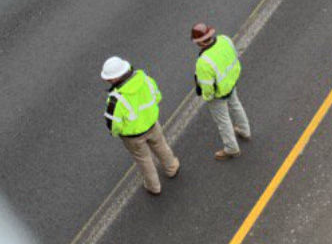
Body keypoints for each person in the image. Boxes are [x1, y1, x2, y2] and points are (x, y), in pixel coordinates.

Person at [101, 56, 180, 196]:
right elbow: (158, 97)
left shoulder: (115, 99)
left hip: (133, 137)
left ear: (114, 79)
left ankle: (154, 186)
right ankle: (171, 167)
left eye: (108, 78)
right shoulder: (146, 80)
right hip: (153, 125)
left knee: (144, 160)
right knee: (161, 146)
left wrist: (119, 133)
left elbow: (114, 125)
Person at [191, 23, 251, 160]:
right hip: (231, 82)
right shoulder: (225, 39)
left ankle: (231, 148)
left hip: (218, 95)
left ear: (199, 43)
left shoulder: (203, 62)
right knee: (236, 105)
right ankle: (244, 130)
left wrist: (208, 98)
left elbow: (207, 88)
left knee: (223, 121)